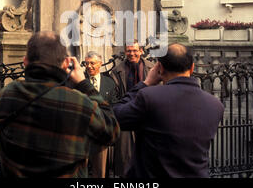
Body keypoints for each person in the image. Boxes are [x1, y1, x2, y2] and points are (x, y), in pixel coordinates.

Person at [0, 31, 120, 177]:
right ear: (66, 63)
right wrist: (84, 84)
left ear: (25, 61)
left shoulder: (8, 95)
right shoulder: (79, 103)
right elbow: (111, 131)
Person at [113, 43, 225, 177]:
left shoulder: (150, 97)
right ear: (192, 68)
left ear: (159, 68)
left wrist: (145, 84)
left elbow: (115, 116)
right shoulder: (215, 105)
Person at [110, 40, 154, 177]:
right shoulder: (116, 71)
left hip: (147, 116)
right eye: (129, 50)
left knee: (148, 156)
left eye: (135, 50)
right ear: (125, 52)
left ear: (141, 51)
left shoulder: (151, 68)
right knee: (125, 157)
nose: (132, 53)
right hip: (127, 115)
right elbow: (115, 95)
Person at [84, 51, 119, 178]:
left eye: (92, 63)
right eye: (86, 63)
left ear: (100, 64)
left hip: (101, 131)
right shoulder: (79, 80)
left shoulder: (109, 83)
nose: (89, 66)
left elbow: (114, 105)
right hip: (83, 132)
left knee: (100, 170)